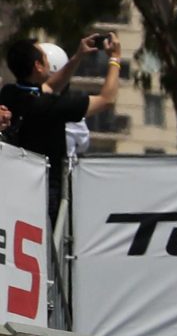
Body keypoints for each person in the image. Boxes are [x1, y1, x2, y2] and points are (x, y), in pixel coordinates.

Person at [3, 30, 120, 207]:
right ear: (38, 66)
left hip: (15, 187)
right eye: (44, 57)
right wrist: (115, 59)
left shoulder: (9, 93)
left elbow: (50, 85)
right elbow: (107, 99)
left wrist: (78, 56)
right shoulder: (50, 106)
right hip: (45, 194)